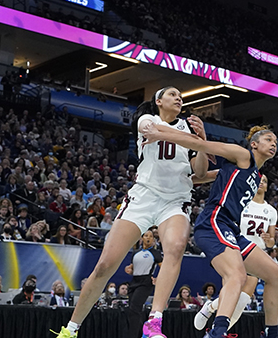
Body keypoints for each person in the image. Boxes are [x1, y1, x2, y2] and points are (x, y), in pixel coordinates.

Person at [53, 87, 210, 338]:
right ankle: (70, 330)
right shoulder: (148, 118)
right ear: (158, 101)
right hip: (143, 197)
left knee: (177, 246)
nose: (179, 98)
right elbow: (151, 131)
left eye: (181, 96)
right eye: (172, 94)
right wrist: (190, 138)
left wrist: (201, 143)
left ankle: (154, 322)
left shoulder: (189, 128)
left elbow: (200, 173)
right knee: (105, 265)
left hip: (175, 200)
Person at [143, 124, 278, 338]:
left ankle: (272, 333)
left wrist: (188, 181)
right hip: (214, 222)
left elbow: (202, 177)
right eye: (268, 139)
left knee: (275, 274)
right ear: (254, 144)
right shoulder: (243, 155)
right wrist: (160, 134)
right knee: (236, 275)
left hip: (231, 229)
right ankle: (218, 332)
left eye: (275, 141)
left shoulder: (255, 176)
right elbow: (201, 144)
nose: (273, 144)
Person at [194, 174, 278, 332]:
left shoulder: (271, 211)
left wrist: (269, 240)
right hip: (234, 249)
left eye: (265, 181)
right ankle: (215, 324)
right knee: (232, 294)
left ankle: (213, 318)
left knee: (241, 300)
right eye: (259, 179)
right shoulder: (242, 204)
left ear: (267, 187)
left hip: (256, 254)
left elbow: (272, 242)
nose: (261, 182)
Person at [126, 230, 163, 338]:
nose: (148, 238)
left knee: (135, 308)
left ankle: (133, 336)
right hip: (134, 281)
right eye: (146, 235)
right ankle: (144, 333)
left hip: (146, 282)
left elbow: (165, 268)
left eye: (151, 236)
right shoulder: (135, 252)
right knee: (134, 311)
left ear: (153, 239)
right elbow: (133, 268)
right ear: (141, 238)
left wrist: (158, 279)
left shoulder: (156, 253)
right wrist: (129, 269)